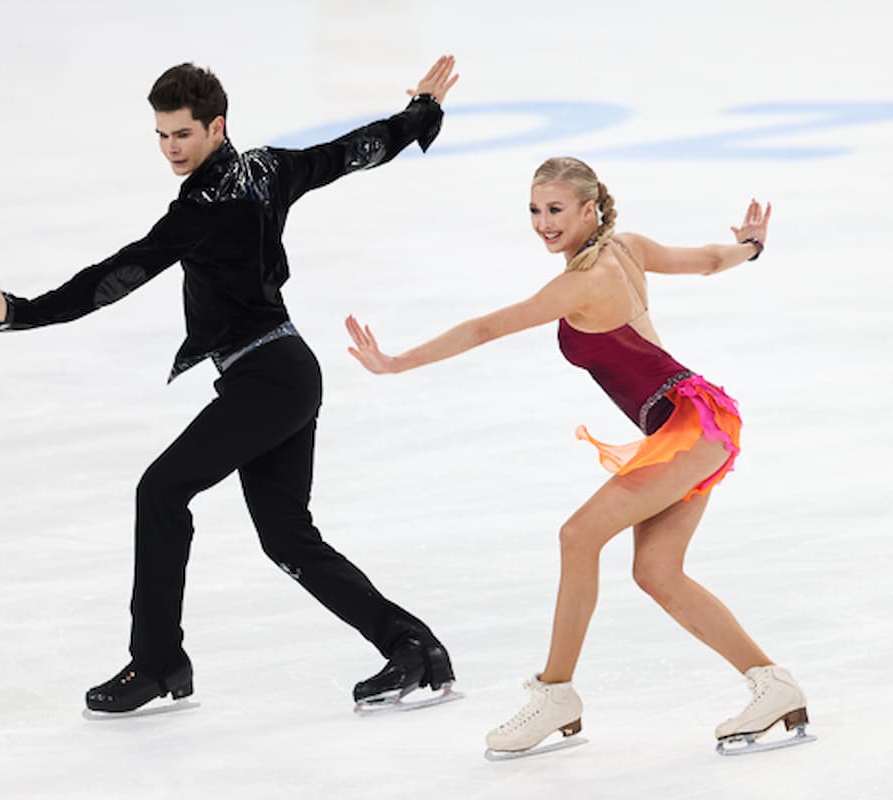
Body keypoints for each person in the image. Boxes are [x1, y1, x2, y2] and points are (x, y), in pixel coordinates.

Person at [0, 56, 462, 714]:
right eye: (161, 136)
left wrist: (23, 312)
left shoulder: (200, 208)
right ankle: (412, 649)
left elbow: (118, 274)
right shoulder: (267, 168)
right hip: (281, 371)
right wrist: (419, 116)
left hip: (266, 377)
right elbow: (351, 152)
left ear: (215, 126)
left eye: (182, 135)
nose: (171, 148)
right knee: (287, 539)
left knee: (161, 491)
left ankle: (156, 663)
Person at [345, 156, 813, 755]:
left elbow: (487, 329)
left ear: (590, 209)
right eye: (536, 210)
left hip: (689, 426)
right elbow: (707, 261)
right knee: (657, 573)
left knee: (578, 536)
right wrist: (751, 248)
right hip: (695, 420)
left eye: (556, 209)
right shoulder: (627, 248)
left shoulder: (581, 281)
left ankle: (555, 692)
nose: (543, 222)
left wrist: (397, 362)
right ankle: (772, 684)